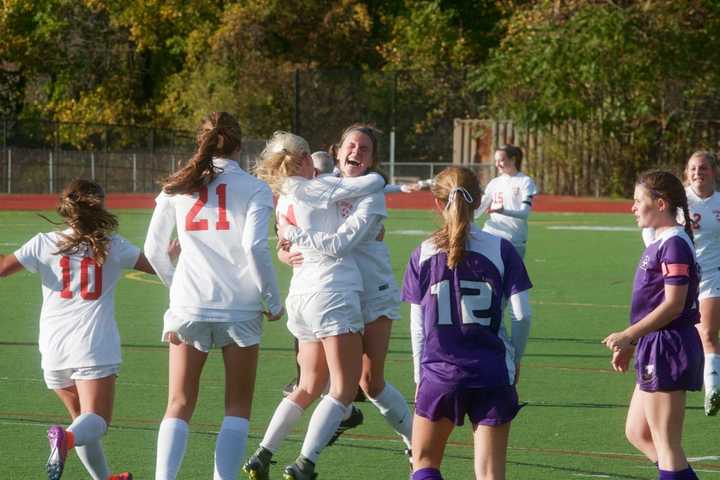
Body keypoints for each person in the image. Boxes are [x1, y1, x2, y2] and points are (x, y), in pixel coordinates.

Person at [144, 112, 284, 480]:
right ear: (240, 144)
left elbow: (154, 249)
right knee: (237, 408)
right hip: (240, 309)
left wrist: (178, 289)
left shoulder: (177, 185)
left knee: (178, 402)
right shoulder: (254, 188)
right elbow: (255, 248)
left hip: (189, 307)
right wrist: (273, 300)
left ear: (200, 140)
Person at [244, 131, 385, 480]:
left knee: (307, 385)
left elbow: (286, 242)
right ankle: (305, 463)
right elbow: (359, 188)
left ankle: (262, 454)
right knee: (343, 387)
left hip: (302, 296)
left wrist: (290, 239)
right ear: (304, 158)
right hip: (332, 291)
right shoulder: (310, 188)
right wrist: (380, 179)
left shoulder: (284, 196)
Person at [0, 179, 156, 480]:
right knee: (97, 421)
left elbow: (3, 269)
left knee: (81, 420)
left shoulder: (43, 243)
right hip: (93, 345)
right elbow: (156, 266)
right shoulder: (113, 245)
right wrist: (172, 252)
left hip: (53, 347)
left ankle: (102, 476)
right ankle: (65, 440)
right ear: (99, 208)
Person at [276, 125, 413, 454]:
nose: (357, 152)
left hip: (371, 291)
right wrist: (285, 252)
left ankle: (415, 445)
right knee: (322, 381)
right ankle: (317, 442)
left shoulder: (371, 190)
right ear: (337, 151)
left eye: (365, 148)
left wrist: (295, 237)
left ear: (372, 158)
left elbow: (340, 242)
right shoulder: (319, 184)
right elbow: (283, 240)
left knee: (371, 383)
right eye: (351, 145)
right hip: (332, 293)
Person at [401, 166, 533, 480]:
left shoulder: (423, 253)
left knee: (424, 462)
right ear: (479, 202)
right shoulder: (502, 249)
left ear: (437, 203)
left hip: (439, 373)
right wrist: (515, 359)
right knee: (490, 474)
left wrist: (420, 374)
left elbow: (418, 323)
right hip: (491, 371)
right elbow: (522, 314)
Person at [603, 170, 703, 480]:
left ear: (660, 204)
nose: (632, 207)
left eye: (638, 201)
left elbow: (673, 304)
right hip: (654, 343)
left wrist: (628, 334)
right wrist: (634, 342)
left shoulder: (674, 243)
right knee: (638, 432)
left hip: (669, 345)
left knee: (667, 445)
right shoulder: (662, 239)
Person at [476, 144, 538, 259]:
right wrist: (462, 210)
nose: (497, 164)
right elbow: (478, 212)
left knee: (512, 276)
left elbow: (524, 213)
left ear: (513, 159)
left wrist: (502, 211)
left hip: (514, 239)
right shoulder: (494, 183)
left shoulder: (525, 182)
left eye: (501, 160)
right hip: (491, 234)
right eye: (496, 161)